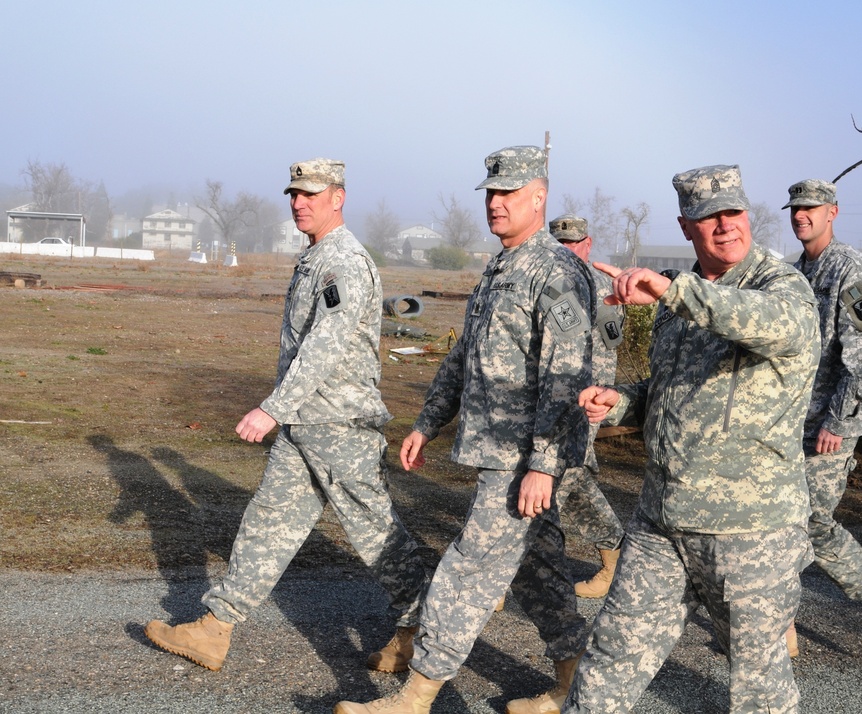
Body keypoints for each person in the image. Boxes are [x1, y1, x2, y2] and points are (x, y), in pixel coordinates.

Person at [335, 145, 595, 714]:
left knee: (464, 572)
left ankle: (416, 696)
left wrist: (544, 466)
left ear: (539, 196)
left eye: (508, 194)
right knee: (539, 573)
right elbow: (464, 359)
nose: (496, 204)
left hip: (522, 460)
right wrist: (428, 422)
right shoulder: (502, 265)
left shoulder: (556, 272)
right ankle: (572, 684)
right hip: (498, 451)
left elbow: (566, 379)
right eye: (491, 194)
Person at [144, 158, 429, 673]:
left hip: (340, 425)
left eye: (311, 195)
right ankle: (215, 628)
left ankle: (423, 632)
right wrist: (286, 412)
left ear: (338, 198)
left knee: (376, 535)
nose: (298, 203)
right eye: (293, 195)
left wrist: (270, 408)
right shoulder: (316, 256)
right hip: (305, 424)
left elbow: (325, 346)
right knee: (266, 524)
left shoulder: (344, 261)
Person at [565, 164, 820, 714]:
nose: (725, 226)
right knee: (611, 656)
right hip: (662, 520)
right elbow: (671, 390)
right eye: (709, 217)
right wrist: (622, 403)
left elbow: (765, 324)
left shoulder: (781, 288)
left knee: (758, 685)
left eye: (734, 212)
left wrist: (673, 292)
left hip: (749, 531)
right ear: (687, 227)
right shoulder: (678, 301)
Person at [784, 178, 862, 657]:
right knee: (781, 520)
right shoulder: (796, 273)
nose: (801, 214)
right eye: (796, 208)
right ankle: (779, 623)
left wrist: (838, 422)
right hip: (790, 421)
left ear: (832, 212)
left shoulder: (852, 271)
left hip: (829, 425)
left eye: (811, 207)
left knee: (812, 520)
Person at [549, 213, 626, 598]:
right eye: (559, 244)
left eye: (573, 244)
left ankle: (498, 573)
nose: (565, 251)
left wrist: (595, 402)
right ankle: (616, 558)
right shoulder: (545, 281)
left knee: (552, 482)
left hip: (585, 401)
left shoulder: (601, 287)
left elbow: (608, 348)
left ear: (587, 243)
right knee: (573, 482)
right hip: (547, 400)